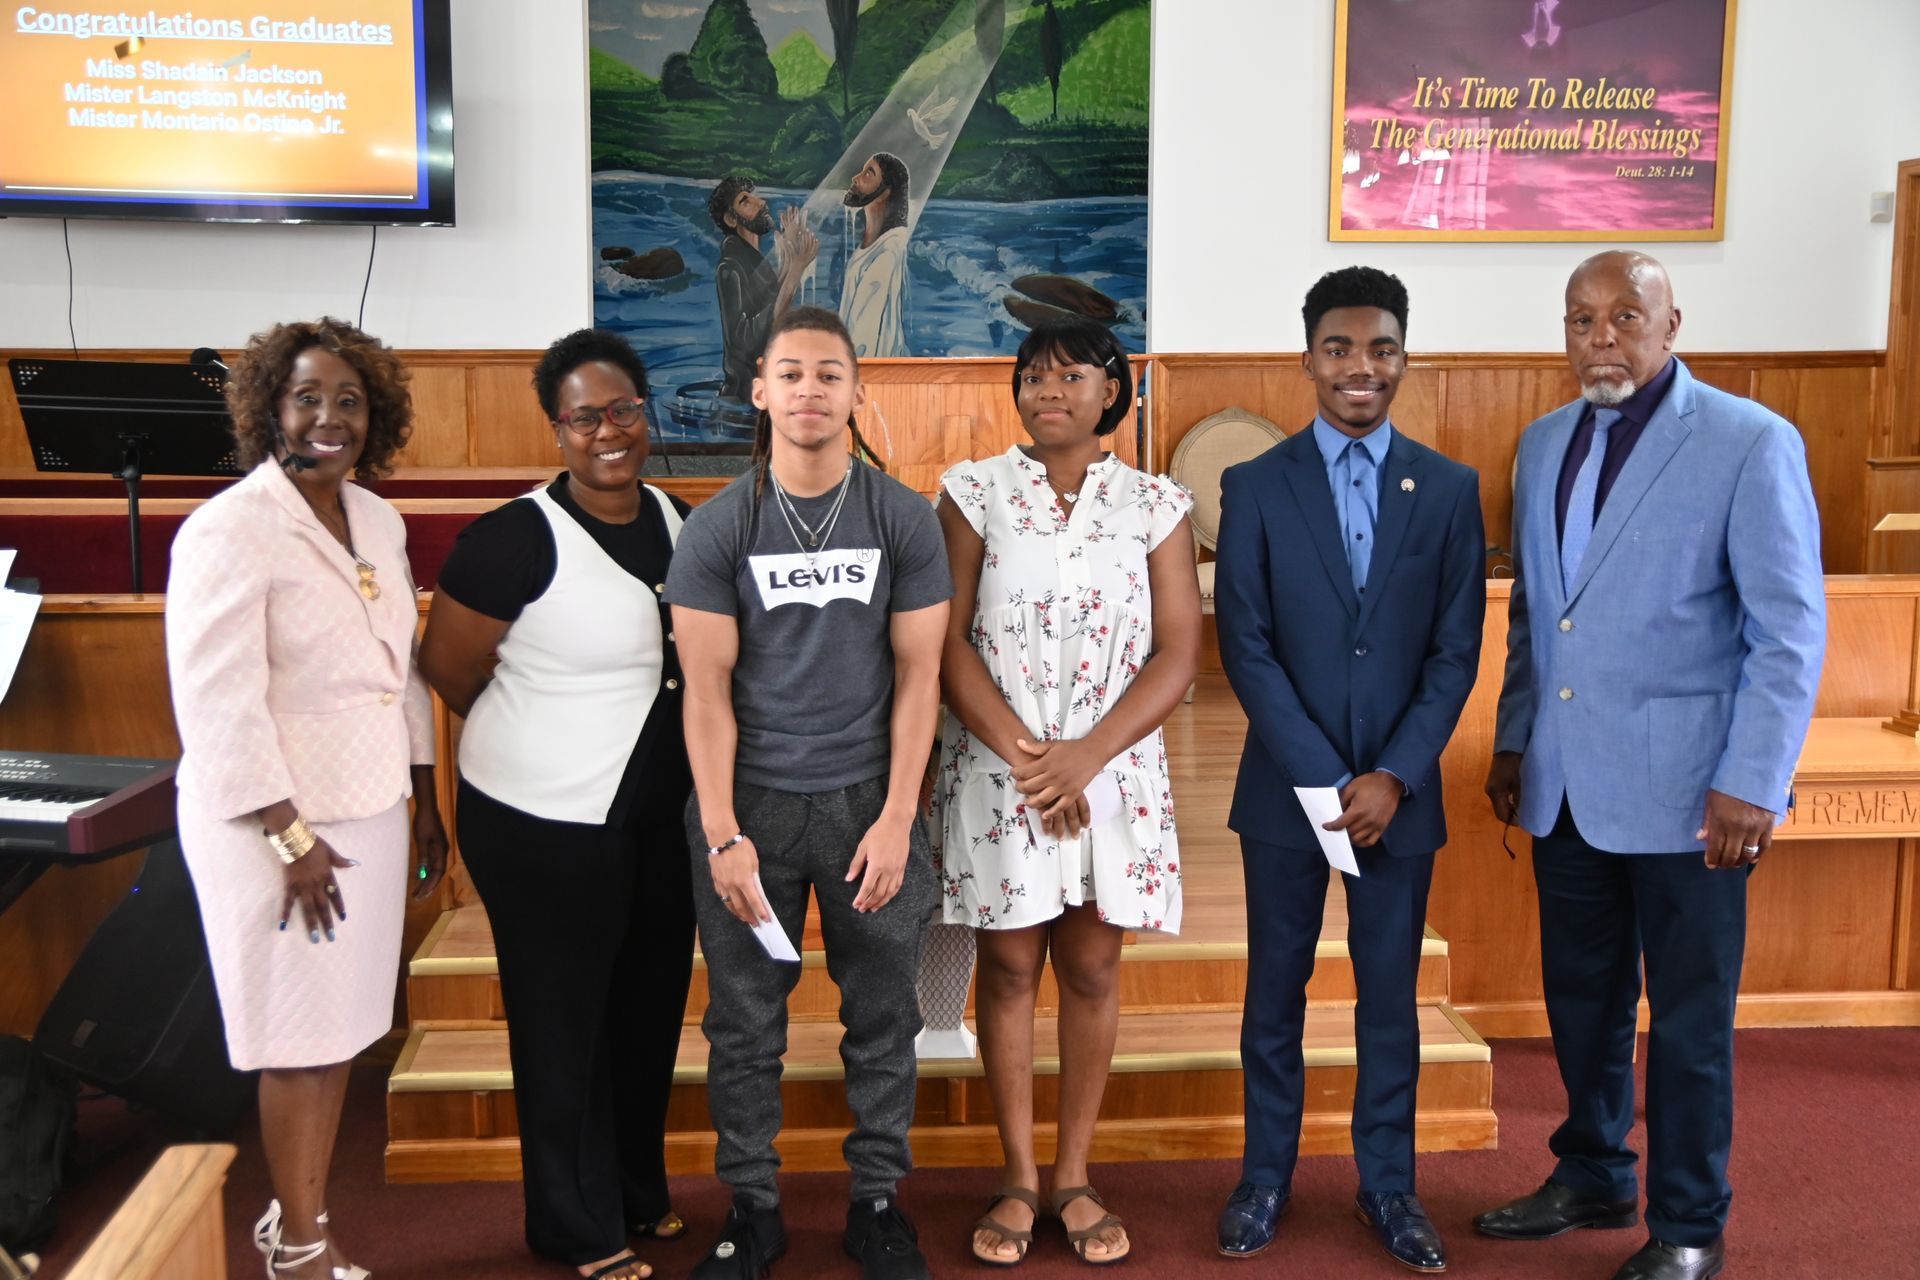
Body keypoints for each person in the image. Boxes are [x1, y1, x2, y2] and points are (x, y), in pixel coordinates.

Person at [1475, 251, 1825, 1280]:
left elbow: (1788, 631)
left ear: (1672, 325)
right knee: (1582, 1002)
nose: (1601, 338)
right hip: (1565, 787)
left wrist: (1754, 777)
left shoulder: (1749, 440)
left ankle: (1687, 1223)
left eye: (1626, 316)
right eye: (1580, 319)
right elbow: (1538, 613)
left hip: (1694, 799)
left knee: (1688, 1021)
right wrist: (1514, 735)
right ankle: (1593, 1172)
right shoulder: (1543, 443)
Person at [665, 306, 952, 1280]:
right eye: (790, 373)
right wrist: (721, 833)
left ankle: (876, 1199)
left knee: (884, 1012)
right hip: (752, 808)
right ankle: (752, 1206)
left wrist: (899, 816)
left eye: (829, 373)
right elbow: (705, 691)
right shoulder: (719, 525)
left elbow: (920, 675)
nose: (809, 391)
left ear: (857, 391)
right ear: (759, 390)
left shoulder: (902, 517)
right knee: (745, 1021)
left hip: (869, 801)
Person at [1212, 267, 1485, 1272]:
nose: (1360, 366)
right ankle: (1264, 1178)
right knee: (1273, 994)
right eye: (1339, 348)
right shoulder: (1256, 484)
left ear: (1404, 358)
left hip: (1398, 800)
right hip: (1287, 797)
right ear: (1309, 360)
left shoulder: (1449, 489)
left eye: (1380, 348)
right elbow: (1246, 646)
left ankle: (1390, 1186)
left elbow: (1455, 650)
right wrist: (1325, 778)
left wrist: (1396, 773)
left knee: (1390, 1000)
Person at [165, 317, 448, 1280]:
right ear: (268, 410)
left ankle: (303, 1226)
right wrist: (289, 839)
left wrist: (423, 796)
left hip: (370, 803)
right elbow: (217, 706)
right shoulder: (229, 529)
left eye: (349, 400)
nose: (330, 418)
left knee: (340, 1034)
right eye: (307, 398)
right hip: (273, 824)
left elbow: (399, 670)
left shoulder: (376, 519)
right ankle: (300, 1247)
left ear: (377, 415)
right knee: (296, 1036)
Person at [417, 330, 694, 1280]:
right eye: (584, 417)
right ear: (557, 428)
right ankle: (574, 1227)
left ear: (645, 414)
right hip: (541, 823)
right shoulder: (509, 541)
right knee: (563, 1023)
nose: (608, 431)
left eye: (623, 410)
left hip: (656, 819)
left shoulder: (681, 519)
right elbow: (448, 668)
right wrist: (546, 733)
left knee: (647, 1010)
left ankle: (635, 1191)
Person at [933, 317, 1200, 1266]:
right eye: (1032, 376)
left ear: (1111, 390)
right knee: (1008, 969)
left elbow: (1179, 651)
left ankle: (1075, 1175)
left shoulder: (1156, 503)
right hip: (1000, 767)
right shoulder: (973, 492)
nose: (1048, 390)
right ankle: (1016, 1177)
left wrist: (1085, 757)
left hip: (1110, 772)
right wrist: (1033, 759)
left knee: (1091, 967)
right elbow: (945, 641)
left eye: (1070, 375)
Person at [711, 176, 818, 402]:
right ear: (731, 219)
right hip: (745, 394)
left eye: (756, 196)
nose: (761, 202)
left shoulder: (749, 259)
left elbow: (770, 301)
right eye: (745, 201)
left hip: (764, 386)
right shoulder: (729, 267)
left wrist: (791, 255)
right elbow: (746, 339)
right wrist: (796, 268)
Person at [840, 152, 911, 358]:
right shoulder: (874, 245)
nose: (856, 178)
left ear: (886, 191)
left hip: (866, 365)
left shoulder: (887, 252)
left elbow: (863, 336)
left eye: (868, 174)